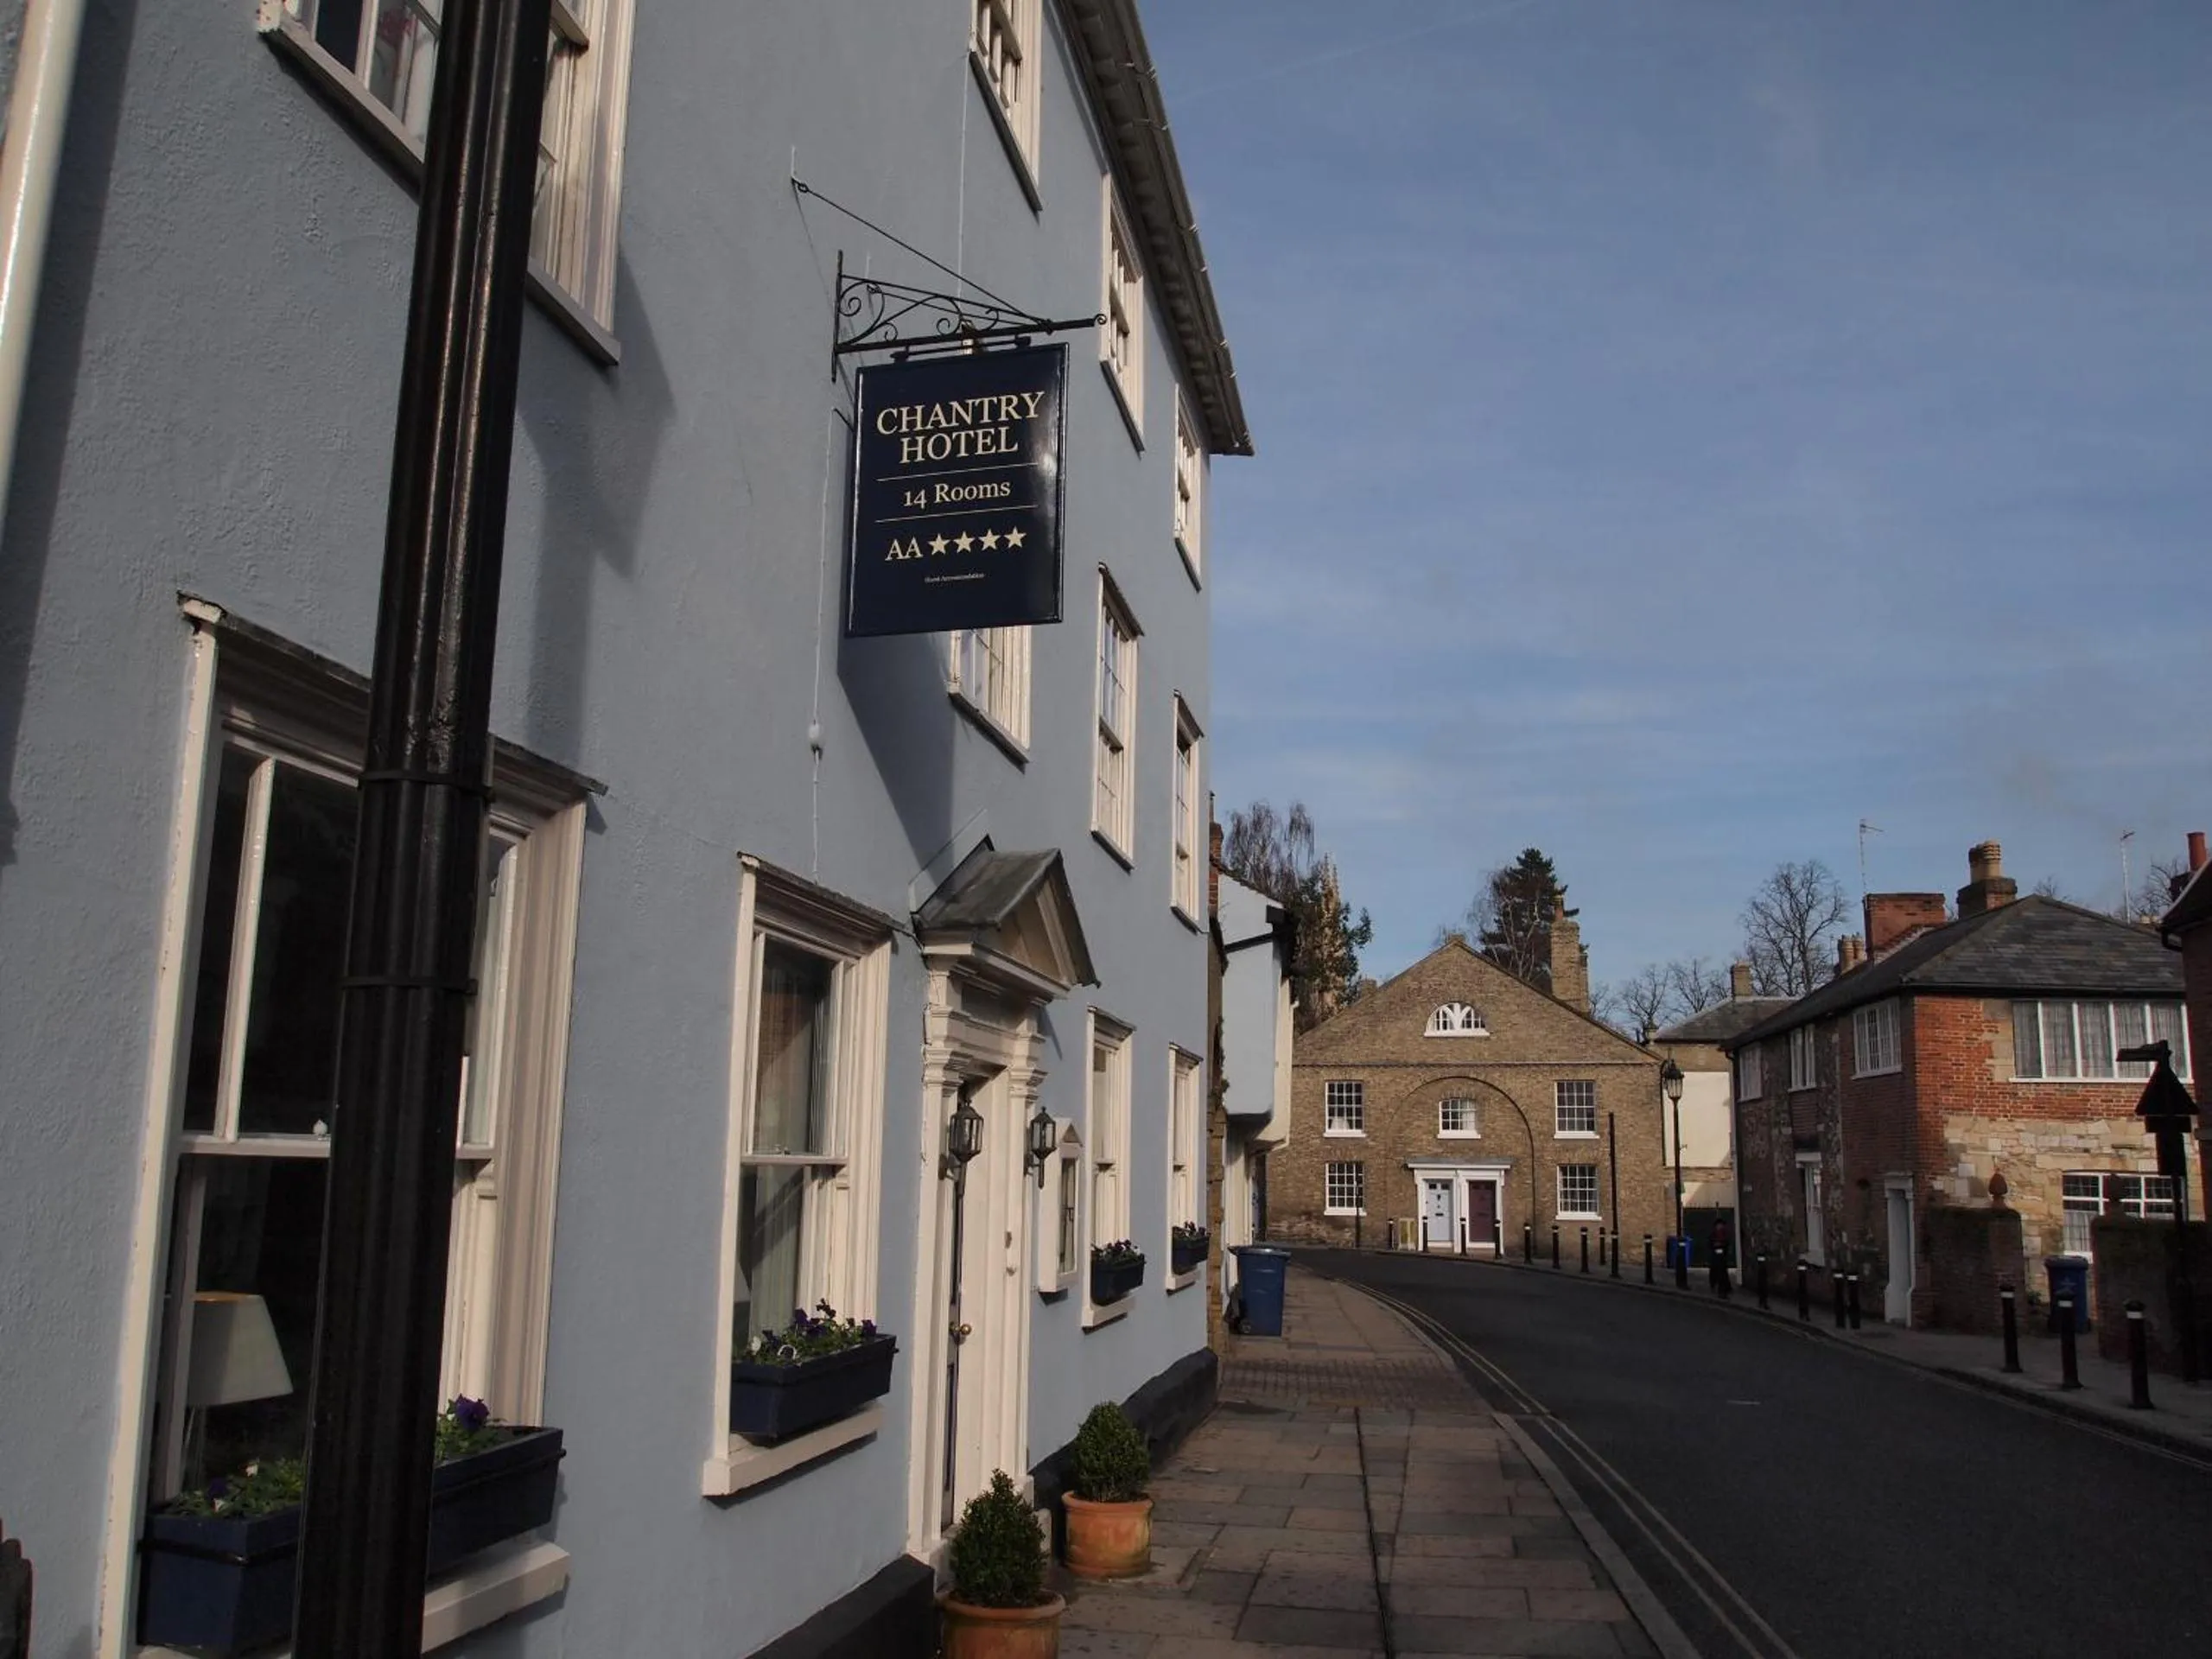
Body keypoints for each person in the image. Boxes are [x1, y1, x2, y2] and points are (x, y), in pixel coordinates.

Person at [1708, 1216, 1733, 1299]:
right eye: (1719, 1225)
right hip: (1715, 1255)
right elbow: (1710, 1242)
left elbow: (1727, 1242)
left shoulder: (1724, 1233)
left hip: (1722, 1255)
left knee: (1723, 1272)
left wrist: (1723, 1246)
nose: (1720, 1226)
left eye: (1721, 1225)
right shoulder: (1713, 1233)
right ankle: (1715, 1285)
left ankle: (1725, 1288)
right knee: (1715, 1271)